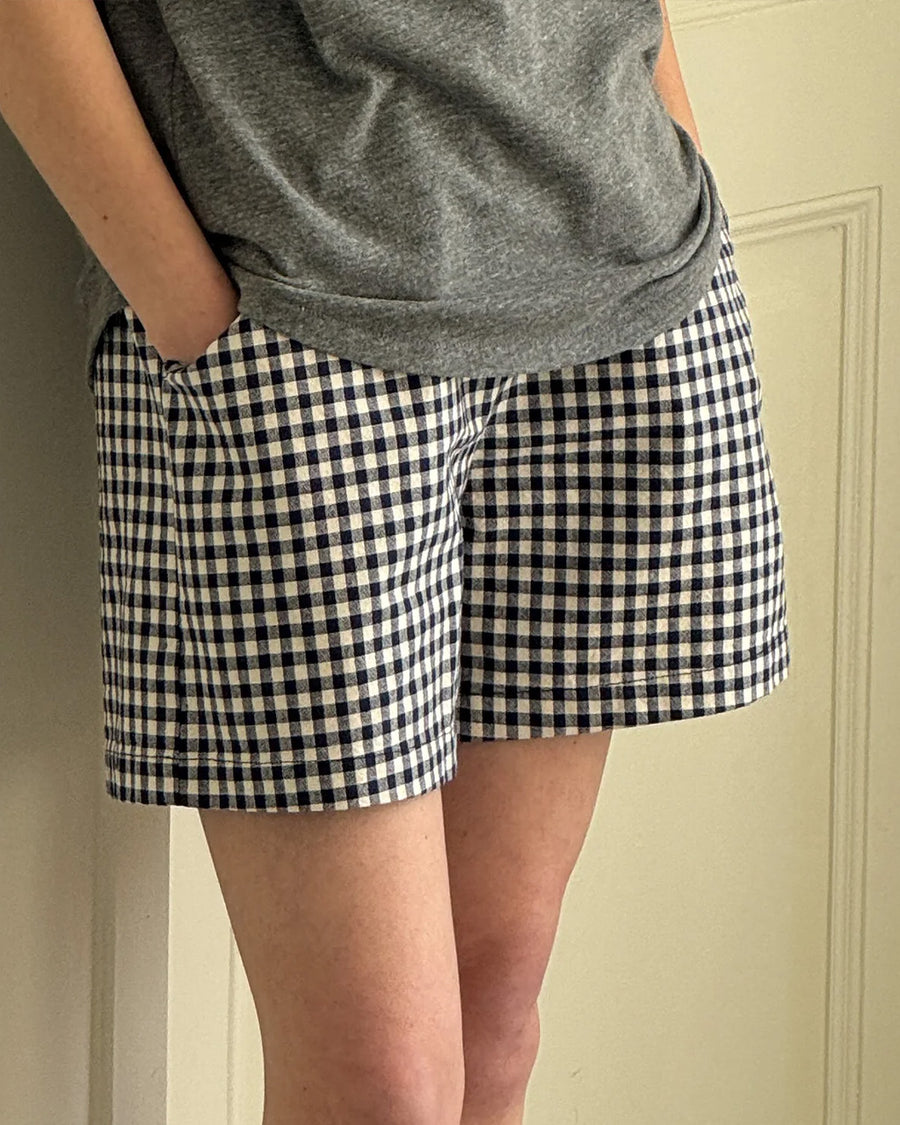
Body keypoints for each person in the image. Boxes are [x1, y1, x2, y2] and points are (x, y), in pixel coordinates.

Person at [0, 1, 790, 1122]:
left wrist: (672, 132)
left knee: (497, 1005)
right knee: (382, 1088)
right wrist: (188, 307)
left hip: (619, 262)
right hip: (299, 304)